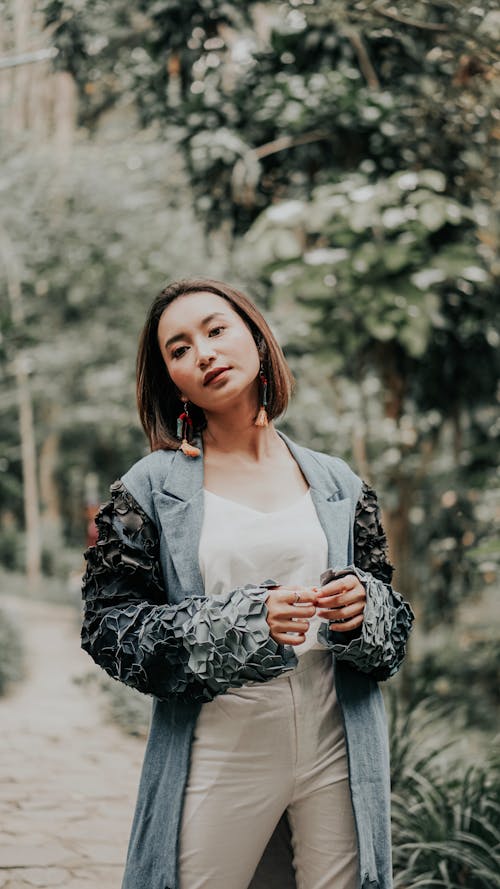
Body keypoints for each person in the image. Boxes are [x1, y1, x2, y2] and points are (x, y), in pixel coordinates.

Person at [81, 277, 414, 889]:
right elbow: (108, 628)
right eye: (178, 349)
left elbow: (392, 625)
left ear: (257, 341)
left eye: (216, 330)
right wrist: (243, 625)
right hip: (221, 739)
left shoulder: (337, 481)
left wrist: (364, 607)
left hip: (335, 736)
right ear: (170, 379)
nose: (203, 353)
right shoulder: (151, 488)